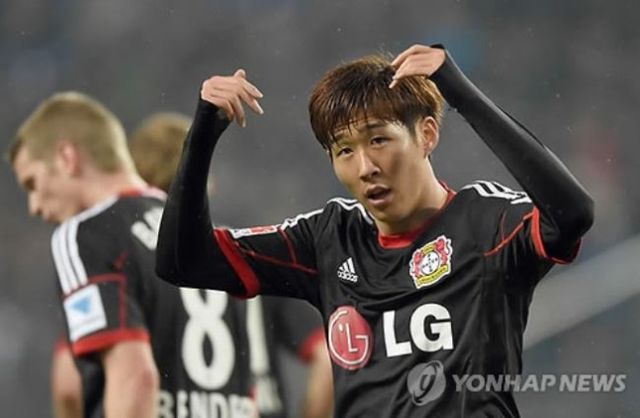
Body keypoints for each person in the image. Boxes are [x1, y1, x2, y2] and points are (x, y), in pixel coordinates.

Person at [155, 44, 594, 417]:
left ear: (427, 134)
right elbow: (182, 262)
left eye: (378, 139)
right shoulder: (328, 238)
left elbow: (572, 214)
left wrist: (459, 92)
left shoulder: (486, 222)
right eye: (345, 150)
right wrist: (204, 132)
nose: (365, 167)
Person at [8, 92, 255, 418]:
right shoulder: (202, 237)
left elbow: (134, 377)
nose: (35, 206)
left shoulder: (86, 234)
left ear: (67, 158)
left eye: (32, 183)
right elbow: (246, 396)